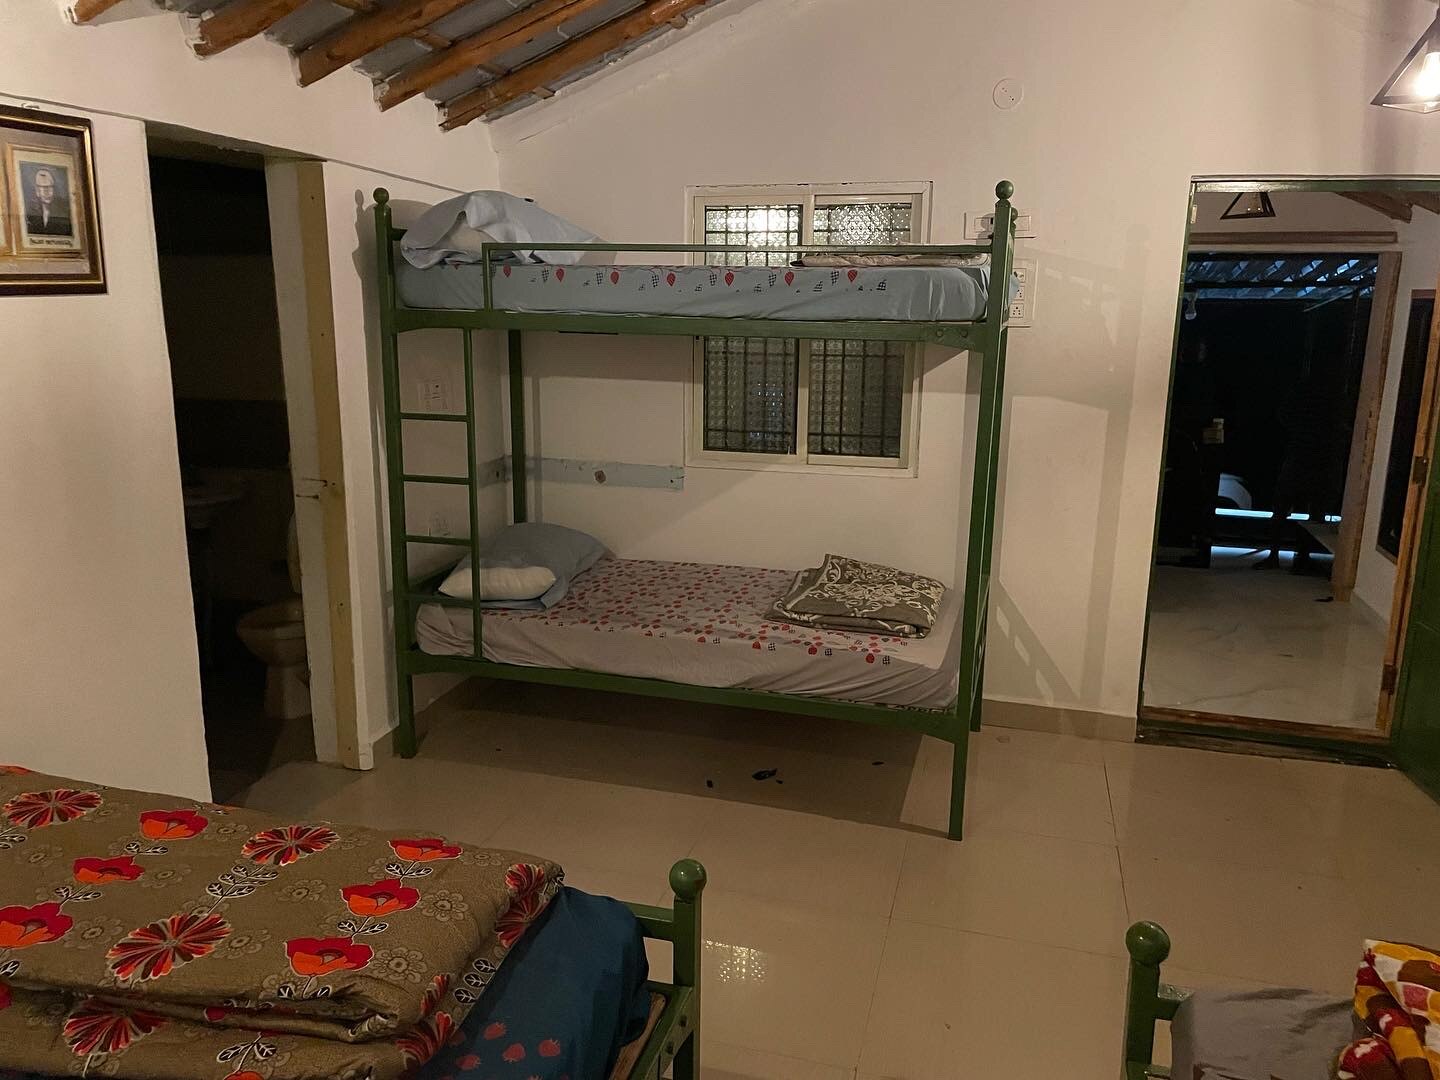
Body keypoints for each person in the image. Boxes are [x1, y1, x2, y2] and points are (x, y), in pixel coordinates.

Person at [24, 167, 72, 237]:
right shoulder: (31, 213)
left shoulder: (63, 212)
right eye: (43, 188)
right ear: (37, 191)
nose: (47, 192)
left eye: (50, 187)